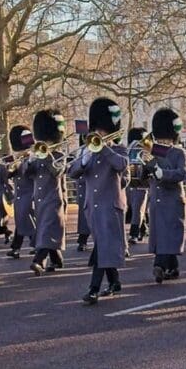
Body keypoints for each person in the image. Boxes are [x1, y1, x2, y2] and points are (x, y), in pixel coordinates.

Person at [69, 97, 128, 305]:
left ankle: (93, 289)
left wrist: (104, 147)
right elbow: (72, 172)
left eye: (102, 131)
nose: (99, 134)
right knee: (104, 246)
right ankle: (115, 282)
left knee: (103, 246)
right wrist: (84, 159)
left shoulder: (118, 149)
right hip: (92, 208)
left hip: (110, 207)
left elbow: (121, 165)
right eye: (97, 130)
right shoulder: (88, 150)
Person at [144, 108, 186, 283]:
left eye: (165, 138)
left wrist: (163, 174)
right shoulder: (153, 152)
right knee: (161, 235)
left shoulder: (178, 153)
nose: (162, 141)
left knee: (168, 234)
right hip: (156, 200)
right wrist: (144, 168)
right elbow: (145, 176)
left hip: (172, 200)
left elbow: (183, 173)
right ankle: (173, 267)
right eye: (160, 138)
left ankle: (160, 266)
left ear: (172, 137)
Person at [28, 109, 69, 275]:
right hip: (39, 199)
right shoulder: (37, 154)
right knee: (46, 230)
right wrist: (30, 161)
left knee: (46, 230)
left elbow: (57, 172)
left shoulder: (59, 155)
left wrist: (47, 155)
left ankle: (38, 261)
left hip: (53, 198)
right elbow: (28, 173)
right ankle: (57, 259)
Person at [6, 125, 36, 259]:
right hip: (20, 195)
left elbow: (28, 172)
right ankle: (16, 248)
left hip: (30, 193)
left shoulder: (32, 157)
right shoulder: (16, 158)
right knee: (21, 221)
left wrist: (23, 162)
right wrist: (11, 168)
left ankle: (36, 245)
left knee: (27, 221)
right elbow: (7, 175)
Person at [125, 127, 150, 246]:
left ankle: (133, 234)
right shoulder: (129, 149)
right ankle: (143, 228)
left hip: (142, 182)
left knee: (138, 208)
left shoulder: (147, 149)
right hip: (130, 182)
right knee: (137, 208)